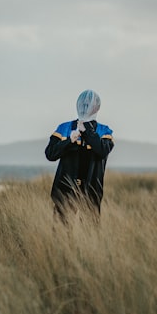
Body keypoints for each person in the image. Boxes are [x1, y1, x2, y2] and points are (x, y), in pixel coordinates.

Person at [45, 90, 114, 222]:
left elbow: (102, 151)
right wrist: (68, 141)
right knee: (60, 232)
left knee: (90, 233)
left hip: (91, 191)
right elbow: (50, 154)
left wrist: (87, 131)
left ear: (97, 107)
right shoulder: (64, 128)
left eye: (89, 104)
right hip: (65, 190)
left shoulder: (104, 131)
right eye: (82, 104)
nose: (85, 107)